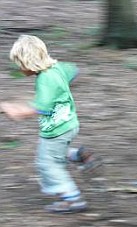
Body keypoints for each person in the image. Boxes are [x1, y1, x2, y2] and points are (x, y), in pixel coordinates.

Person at [0, 35, 99, 213]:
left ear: (29, 63)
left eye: (20, 64)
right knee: (54, 154)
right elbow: (74, 70)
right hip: (70, 123)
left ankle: (72, 199)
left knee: (47, 163)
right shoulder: (56, 67)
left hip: (56, 130)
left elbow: (38, 108)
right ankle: (81, 155)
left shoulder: (45, 79)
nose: (19, 68)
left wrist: (11, 109)